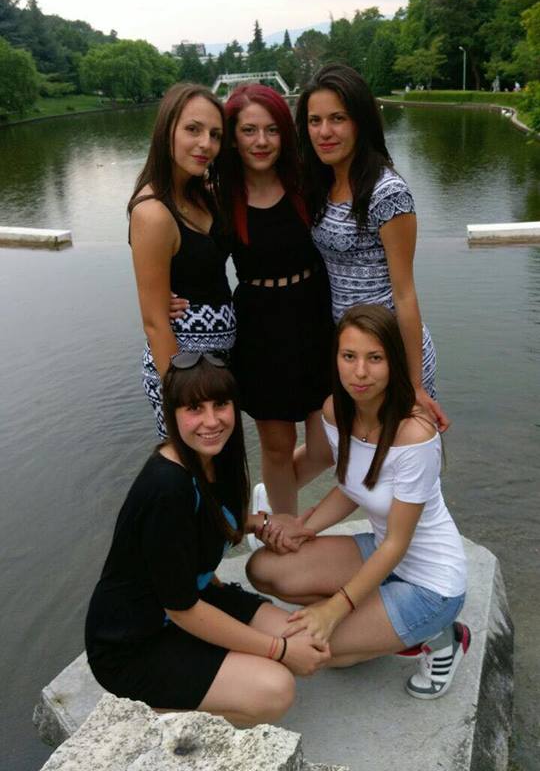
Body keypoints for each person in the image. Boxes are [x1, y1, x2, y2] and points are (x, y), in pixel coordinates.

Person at [85, 354, 329, 723]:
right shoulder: (167, 486)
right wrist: (277, 650)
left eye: (221, 404)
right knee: (275, 688)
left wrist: (260, 522)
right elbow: (181, 609)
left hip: (195, 597)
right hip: (135, 642)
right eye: (194, 408)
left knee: (307, 638)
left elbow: (207, 519)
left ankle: (212, 667)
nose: (212, 421)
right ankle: (149, 714)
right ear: (172, 414)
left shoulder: (216, 457)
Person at [247, 305, 470, 700]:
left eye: (375, 358)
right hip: (380, 557)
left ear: (394, 362)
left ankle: (440, 637)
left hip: (430, 585)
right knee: (264, 568)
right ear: (335, 359)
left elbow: (397, 543)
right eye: (349, 356)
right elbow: (353, 487)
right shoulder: (336, 411)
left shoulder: (415, 435)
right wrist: (303, 528)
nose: (360, 372)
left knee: (311, 650)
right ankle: (373, 624)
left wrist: (335, 608)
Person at [295, 63, 449, 431]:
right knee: (362, 454)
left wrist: (414, 384)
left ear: (360, 122)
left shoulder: (387, 192)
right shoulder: (320, 184)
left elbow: (404, 293)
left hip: (389, 353)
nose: (324, 132)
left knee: (400, 453)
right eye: (315, 121)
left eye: (337, 118)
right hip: (352, 356)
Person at [218, 84, 334, 514]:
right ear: (232, 137)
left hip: (314, 317)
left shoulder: (307, 182)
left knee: (328, 445)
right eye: (249, 130)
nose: (262, 141)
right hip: (260, 329)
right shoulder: (220, 197)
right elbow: (196, 256)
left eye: (271, 130)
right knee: (278, 445)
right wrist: (174, 295)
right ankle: (283, 528)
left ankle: (268, 500)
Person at [128, 83, 236, 439]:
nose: (206, 143)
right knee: (189, 467)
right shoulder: (153, 213)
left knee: (222, 467)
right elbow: (155, 322)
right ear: (167, 131)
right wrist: (185, 399)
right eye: (193, 129)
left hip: (218, 368)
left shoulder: (201, 193)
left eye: (215, 134)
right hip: (183, 372)